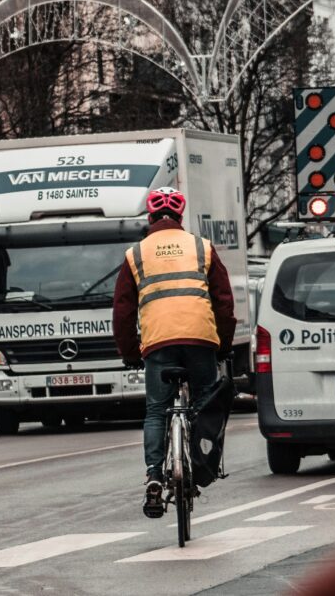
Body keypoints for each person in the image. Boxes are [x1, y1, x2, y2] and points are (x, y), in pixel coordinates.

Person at [112, 187, 236, 519]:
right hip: (200, 341)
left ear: (149, 217)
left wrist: (129, 351)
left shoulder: (135, 254)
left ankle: (154, 474)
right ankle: (198, 463)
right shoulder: (202, 248)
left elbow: (123, 311)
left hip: (158, 343)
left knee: (156, 411)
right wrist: (223, 344)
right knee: (203, 405)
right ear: (180, 217)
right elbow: (224, 303)